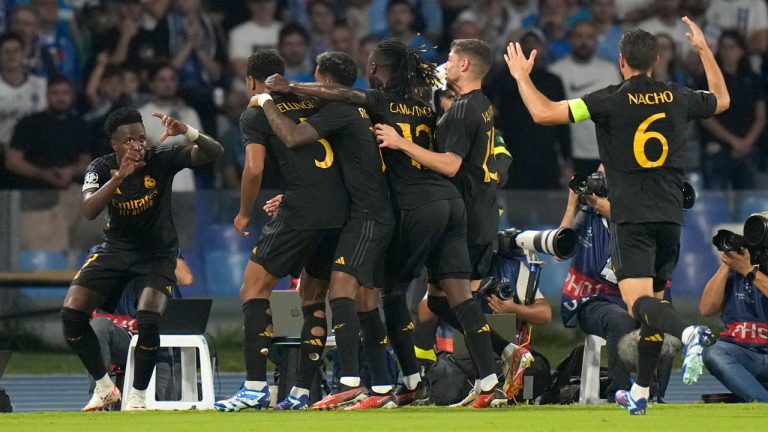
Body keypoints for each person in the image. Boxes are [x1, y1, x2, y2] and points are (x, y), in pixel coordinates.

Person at [503, 18, 729, 415]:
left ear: (622, 62)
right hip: (671, 216)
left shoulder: (608, 99)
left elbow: (543, 113)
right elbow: (721, 100)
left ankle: (690, 331)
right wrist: (704, 52)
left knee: (638, 305)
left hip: (632, 219)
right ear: (655, 61)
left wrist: (522, 76)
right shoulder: (678, 96)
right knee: (653, 306)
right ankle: (640, 392)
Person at [266, 38, 503, 408]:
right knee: (460, 296)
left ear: (375, 69)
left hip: (415, 205)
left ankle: (395, 384)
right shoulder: (426, 109)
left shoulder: (381, 102)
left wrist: (289, 87)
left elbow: (342, 94)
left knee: (382, 293)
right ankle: (489, 383)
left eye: (371, 64)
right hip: (452, 205)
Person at [250, 50, 395, 410]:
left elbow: (294, 138)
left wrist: (267, 101)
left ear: (326, 81)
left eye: (316, 79)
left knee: (341, 293)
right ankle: (383, 388)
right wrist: (291, 194)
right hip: (376, 210)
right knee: (365, 303)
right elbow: (335, 167)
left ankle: (350, 383)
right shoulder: (361, 108)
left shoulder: (338, 110)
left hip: (366, 215)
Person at [373, 38, 507, 408]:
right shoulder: (480, 107)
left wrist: (402, 143)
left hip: (459, 215)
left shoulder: (465, 110)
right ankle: (492, 378)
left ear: (464, 65)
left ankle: (415, 381)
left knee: (409, 293)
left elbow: (450, 164)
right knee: (445, 301)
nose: (444, 64)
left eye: (450, 59)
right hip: (471, 211)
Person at [213, 50, 349, 412]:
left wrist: (243, 214)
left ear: (251, 81)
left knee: (253, 288)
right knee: (313, 300)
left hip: (302, 210)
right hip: (338, 211)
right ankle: (301, 394)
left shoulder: (256, 111)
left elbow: (254, 168)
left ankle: (255, 388)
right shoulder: (310, 100)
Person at [62, 107, 223, 412]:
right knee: (71, 313)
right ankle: (104, 387)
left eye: (140, 138)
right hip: (115, 250)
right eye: (129, 141)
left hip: (157, 254)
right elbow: (89, 210)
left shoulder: (160, 158)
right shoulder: (100, 167)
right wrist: (119, 178)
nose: (137, 145)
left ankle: (137, 396)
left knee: (148, 321)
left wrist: (187, 131)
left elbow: (214, 152)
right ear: (115, 145)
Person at [88, 255, 193, 404]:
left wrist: (159, 248)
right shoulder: (108, 247)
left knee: (168, 405)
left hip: (162, 344)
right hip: (126, 338)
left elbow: (186, 278)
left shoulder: (164, 246)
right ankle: (100, 396)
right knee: (98, 326)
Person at [700, 248, 768, 402]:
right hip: (741, 353)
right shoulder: (734, 272)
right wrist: (727, 264)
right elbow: (706, 308)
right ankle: (763, 403)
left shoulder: (747, 269)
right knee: (714, 353)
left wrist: (749, 271)